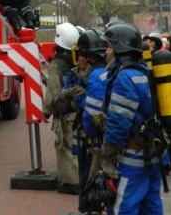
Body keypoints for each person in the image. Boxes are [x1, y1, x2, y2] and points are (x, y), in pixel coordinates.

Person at [95, 23, 163, 215]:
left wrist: (107, 156)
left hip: (133, 158)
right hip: (153, 154)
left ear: (120, 48)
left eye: (109, 46)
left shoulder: (124, 78)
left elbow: (118, 123)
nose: (106, 51)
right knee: (151, 206)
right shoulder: (143, 72)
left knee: (123, 208)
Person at [68, 28, 108, 214]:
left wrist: (77, 98)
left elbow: (91, 114)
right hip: (102, 139)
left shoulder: (96, 76)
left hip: (91, 141)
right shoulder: (109, 71)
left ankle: (89, 210)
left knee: (90, 179)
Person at [43, 22, 81, 195]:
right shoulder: (78, 61)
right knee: (77, 145)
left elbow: (52, 92)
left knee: (65, 147)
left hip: (64, 114)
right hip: (78, 110)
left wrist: (47, 111)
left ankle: (70, 182)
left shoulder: (56, 64)